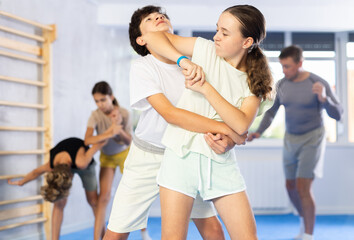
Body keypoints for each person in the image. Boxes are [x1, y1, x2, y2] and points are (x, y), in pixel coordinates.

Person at [103, 5, 249, 240]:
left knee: (212, 229)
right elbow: (170, 114)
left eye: (161, 15)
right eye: (149, 19)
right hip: (147, 157)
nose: (159, 17)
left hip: (185, 154)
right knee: (118, 230)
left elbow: (217, 110)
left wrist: (229, 138)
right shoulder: (144, 67)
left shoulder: (201, 61)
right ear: (141, 39)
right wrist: (228, 130)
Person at [139, 4, 273, 240]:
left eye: (224, 32)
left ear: (246, 42)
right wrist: (183, 60)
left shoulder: (256, 82)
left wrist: (205, 88)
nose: (216, 36)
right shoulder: (204, 49)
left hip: (220, 162)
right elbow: (152, 36)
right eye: (217, 29)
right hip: (180, 156)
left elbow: (241, 124)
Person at [247, 45, 343, 240]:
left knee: (302, 186)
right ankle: (303, 219)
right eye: (282, 66)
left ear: (300, 63)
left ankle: (308, 235)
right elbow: (271, 113)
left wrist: (324, 99)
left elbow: (339, 114)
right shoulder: (282, 85)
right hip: (291, 138)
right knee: (290, 186)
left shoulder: (318, 82)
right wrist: (257, 132)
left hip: (313, 138)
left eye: (288, 66)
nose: (284, 71)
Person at [7, 137, 105, 240]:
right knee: (59, 203)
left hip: (84, 165)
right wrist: (21, 182)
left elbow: (99, 143)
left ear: (69, 176)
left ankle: (103, 236)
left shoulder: (82, 162)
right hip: (67, 162)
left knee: (94, 202)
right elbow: (36, 172)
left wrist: (112, 132)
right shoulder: (51, 164)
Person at [84, 81, 147, 240]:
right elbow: (87, 140)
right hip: (107, 157)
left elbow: (128, 141)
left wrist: (117, 129)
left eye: (103, 100)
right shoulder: (95, 115)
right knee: (103, 197)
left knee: (136, 192)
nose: (100, 104)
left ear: (111, 97)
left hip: (124, 153)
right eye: (97, 101)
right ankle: (97, 238)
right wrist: (110, 132)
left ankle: (143, 232)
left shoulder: (124, 113)